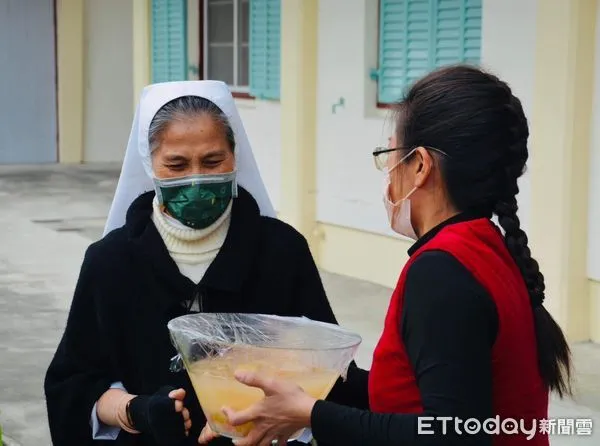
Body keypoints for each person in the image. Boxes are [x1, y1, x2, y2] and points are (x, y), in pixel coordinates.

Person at [198, 65, 573, 446]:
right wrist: (309, 377)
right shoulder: (487, 247)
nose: (389, 173)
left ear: (421, 165)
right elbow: (412, 399)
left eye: (391, 155)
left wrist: (310, 415)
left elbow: (450, 434)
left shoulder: (442, 271)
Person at [43, 81, 367, 446]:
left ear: (235, 156)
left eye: (212, 161)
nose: (196, 179)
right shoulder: (110, 261)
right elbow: (74, 385)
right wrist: (135, 410)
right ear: (150, 165)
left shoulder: (281, 250)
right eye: (176, 165)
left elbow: (327, 372)